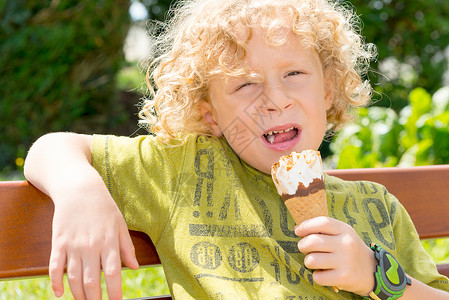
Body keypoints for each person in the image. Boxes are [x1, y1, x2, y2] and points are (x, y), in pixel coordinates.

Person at [24, 0, 449, 299]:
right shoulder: (186, 173)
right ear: (209, 115)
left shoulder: (377, 206)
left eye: (295, 72)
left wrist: (377, 276)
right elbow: (51, 148)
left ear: (329, 90)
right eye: (245, 83)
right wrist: (81, 191)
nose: (275, 98)